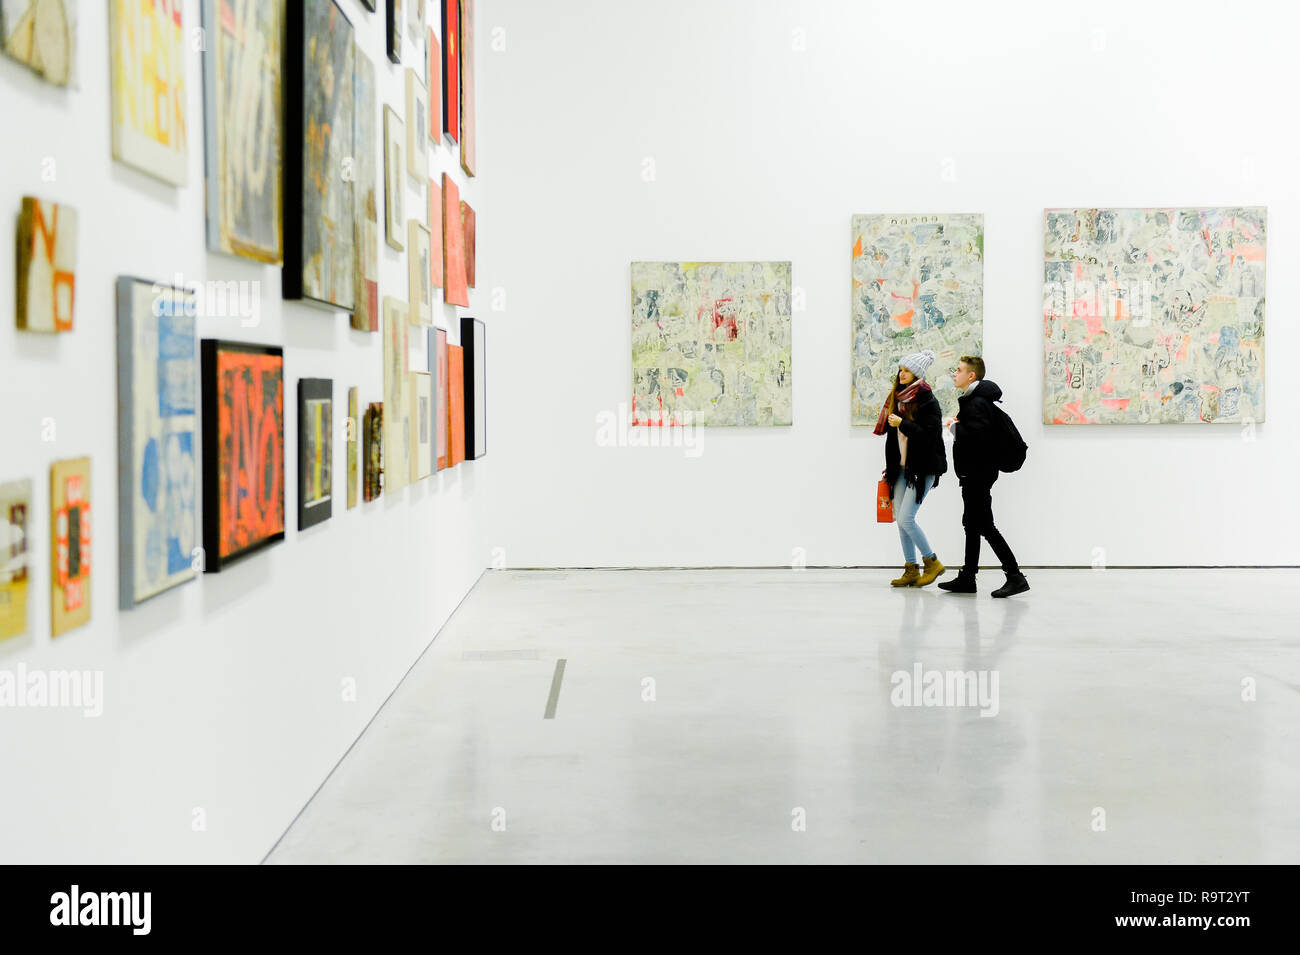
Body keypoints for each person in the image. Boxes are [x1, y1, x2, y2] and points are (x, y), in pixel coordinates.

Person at [938, 356, 1030, 598]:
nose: (954, 373)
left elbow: (977, 438)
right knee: (972, 525)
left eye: (958, 370)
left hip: (978, 473)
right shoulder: (976, 401)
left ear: (971, 376)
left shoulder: (976, 403)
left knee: (985, 526)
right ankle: (968, 577)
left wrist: (953, 427)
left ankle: (1015, 576)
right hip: (976, 473)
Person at [875, 349, 947, 587]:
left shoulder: (928, 400)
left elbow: (930, 436)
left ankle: (932, 562)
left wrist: (902, 423)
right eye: (900, 370)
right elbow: (890, 436)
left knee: (907, 519)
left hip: (922, 469)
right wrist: (890, 420)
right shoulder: (897, 398)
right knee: (901, 521)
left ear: (917, 373)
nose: (901, 374)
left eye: (906, 370)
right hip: (900, 468)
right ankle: (911, 569)